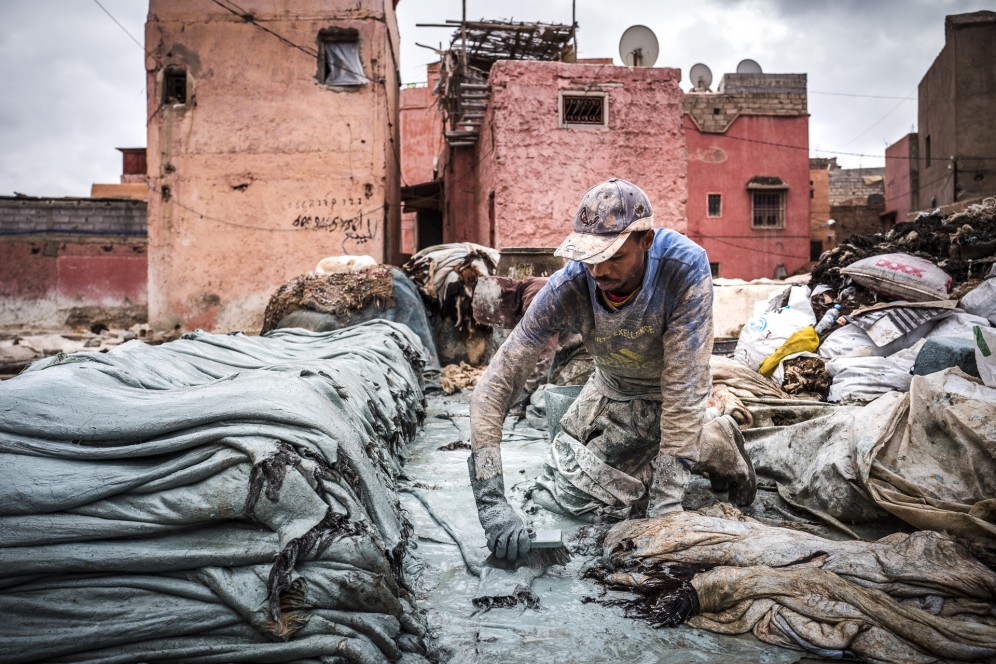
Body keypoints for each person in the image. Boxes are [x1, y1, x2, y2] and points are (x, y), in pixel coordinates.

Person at [468, 178, 756, 562]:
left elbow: (683, 386)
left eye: (614, 256)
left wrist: (665, 510)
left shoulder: (683, 268)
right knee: (566, 496)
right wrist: (490, 500)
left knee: (645, 494)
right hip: (609, 387)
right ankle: (664, 456)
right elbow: (495, 385)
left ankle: (713, 439)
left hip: (668, 391)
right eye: (590, 257)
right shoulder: (568, 285)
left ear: (646, 241)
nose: (599, 270)